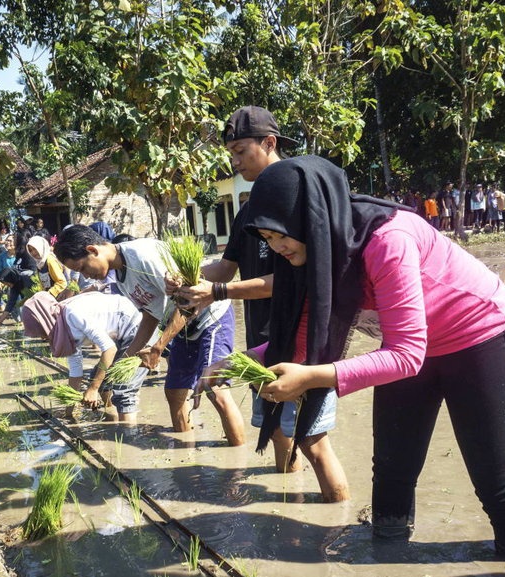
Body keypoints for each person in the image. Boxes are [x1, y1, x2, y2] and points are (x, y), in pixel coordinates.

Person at [229, 155, 505, 560]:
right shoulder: (318, 253)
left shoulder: (386, 240)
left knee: (496, 478)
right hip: (408, 346)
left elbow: (404, 355)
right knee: (393, 466)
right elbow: (304, 336)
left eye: (281, 237)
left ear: (310, 218)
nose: (277, 248)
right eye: (268, 240)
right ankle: (387, 554)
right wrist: (242, 363)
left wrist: (310, 378)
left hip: (475, 333)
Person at [177, 105, 345, 484]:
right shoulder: (248, 211)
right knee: (277, 431)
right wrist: (189, 279)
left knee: (312, 439)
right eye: (231, 154)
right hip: (262, 336)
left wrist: (217, 292)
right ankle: (292, 500)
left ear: (269, 143)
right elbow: (226, 267)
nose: (235, 161)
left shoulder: (302, 200)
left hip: (302, 334)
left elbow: (287, 278)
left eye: (240, 150)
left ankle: (327, 523)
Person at [53, 226, 246, 446]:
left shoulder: (142, 255)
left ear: (92, 250)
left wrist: (158, 347)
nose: (86, 276)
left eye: (83, 268)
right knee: (174, 393)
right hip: (180, 328)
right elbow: (151, 314)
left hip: (209, 318)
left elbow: (187, 303)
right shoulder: (121, 277)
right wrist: (129, 356)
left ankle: (236, 471)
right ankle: (185, 454)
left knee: (215, 389)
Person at [21, 291, 150, 423]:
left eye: (40, 331)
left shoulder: (72, 314)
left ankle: (129, 435)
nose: (42, 337)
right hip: (118, 334)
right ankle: (113, 416)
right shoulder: (62, 329)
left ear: (44, 320)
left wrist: (93, 389)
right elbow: (75, 370)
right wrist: (68, 413)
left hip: (136, 325)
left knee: (123, 391)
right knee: (99, 377)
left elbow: (109, 349)